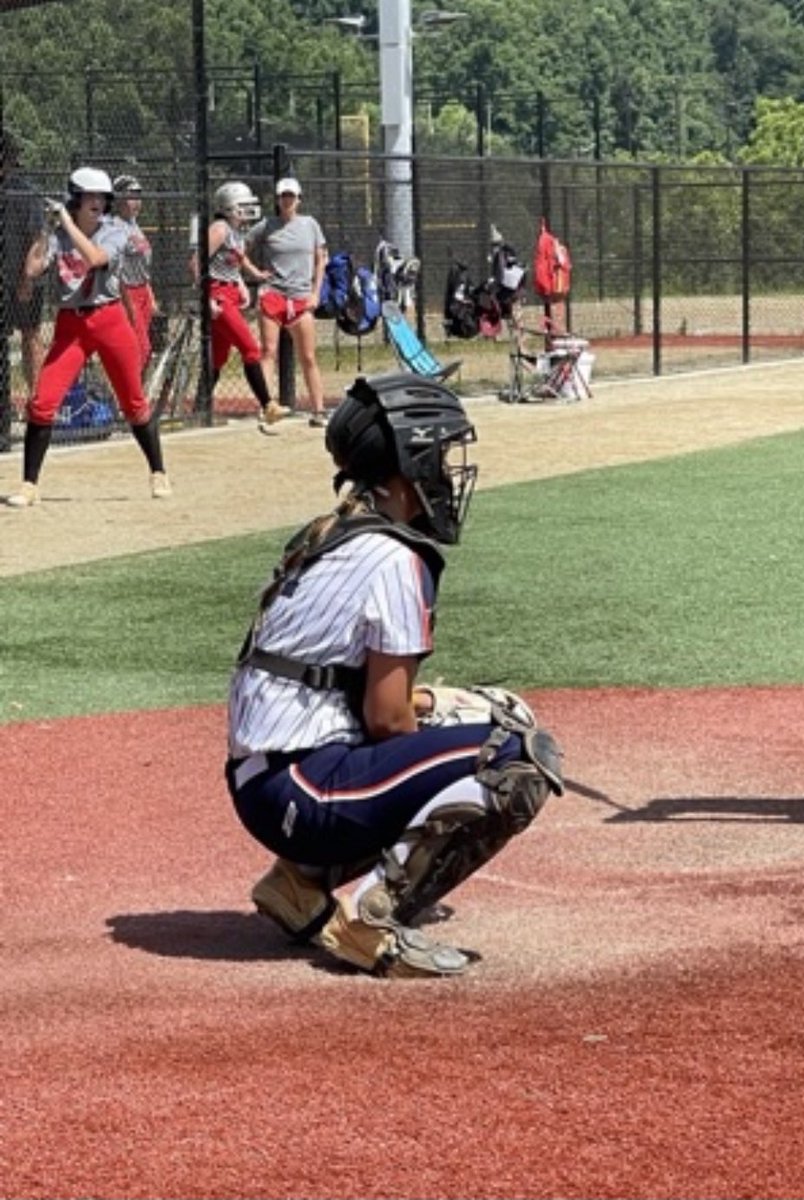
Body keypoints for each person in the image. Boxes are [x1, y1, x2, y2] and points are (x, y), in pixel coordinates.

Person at [224, 372, 564, 977]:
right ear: (410, 461)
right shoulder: (397, 558)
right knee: (513, 756)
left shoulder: (334, 533)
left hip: (269, 779)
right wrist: (445, 730)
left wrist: (435, 704)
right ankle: (372, 919)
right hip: (301, 786)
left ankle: (300, 885)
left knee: (476, 721)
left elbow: (341, 685)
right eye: (438, 455)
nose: (448, 473)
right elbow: (386, 720)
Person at [4, 167, 170, 508]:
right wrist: (45, 231)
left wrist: (65, 222)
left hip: (109, 319)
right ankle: (29, 485)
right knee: (43, 403)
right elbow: (34, 269)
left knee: (134, 403)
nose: (96, 202)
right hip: (71, 325)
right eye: (89, 196)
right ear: (75, 199)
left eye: (102, 197)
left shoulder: (117, 231)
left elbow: (94, 258)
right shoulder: (59, 233)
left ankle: (158, 471)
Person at [197, 180, 289, 432]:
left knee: (217, 358)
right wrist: (206, 298)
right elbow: (196, 263)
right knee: (250, 349)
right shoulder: (220, 228)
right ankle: (268, 405)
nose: (248, 209)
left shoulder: (236, 231)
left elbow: (233, 260)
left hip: (229, 292)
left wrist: (242, 280)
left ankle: (198, 408)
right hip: (218, 295)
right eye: (242, 205)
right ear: (228, 207)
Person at [247, 177, 329, 427]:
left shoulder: (310, 225)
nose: (287, 201)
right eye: (283, 196)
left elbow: (321, 259)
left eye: (291, 196)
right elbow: (241, 250)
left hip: (301, 297)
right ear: (277, 199)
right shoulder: (266, 225)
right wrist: (255, 274)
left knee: (308, 356)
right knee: (268, 352)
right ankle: (267, 407)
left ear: (299, 199)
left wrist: (315, 292)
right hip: (273, 295)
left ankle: (319, 410)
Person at [1, 130, 46, 410]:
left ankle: (38, 403)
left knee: (30, 334)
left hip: (24, 278)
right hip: (3, 279)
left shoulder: (24, 191)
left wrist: (27, 279)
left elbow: (38, 238)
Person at [112, 174, 157, 374]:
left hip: (143, 291)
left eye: (139, 196)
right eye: (131, 196)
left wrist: (151, 296)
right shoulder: (115, 227)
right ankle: (130, 398)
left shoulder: (134, 225)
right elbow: (117, 271)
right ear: (119, 199)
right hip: (127, 292)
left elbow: (143, 266)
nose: (136, 202)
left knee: (144, 350)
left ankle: (135, 396)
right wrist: (128, 304)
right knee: (140, 348)